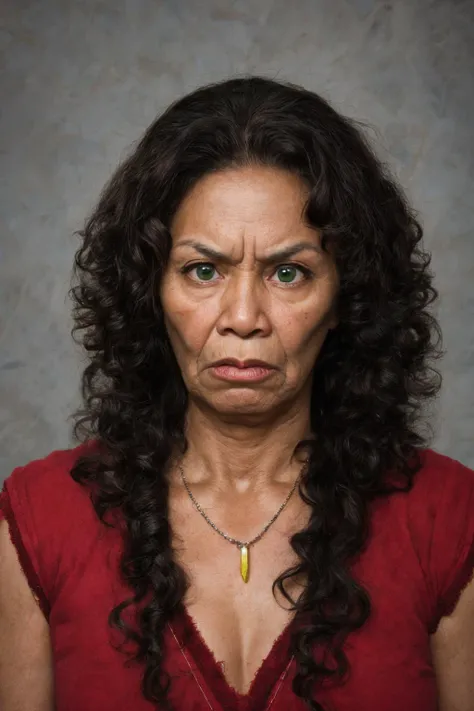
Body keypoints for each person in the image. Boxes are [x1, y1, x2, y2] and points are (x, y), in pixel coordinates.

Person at [0, 76, 473, 711]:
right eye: (203, 270)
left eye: (288, 272)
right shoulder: (37, 518)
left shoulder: (450, 518)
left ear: (345, 297)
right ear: (150, 289)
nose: (243, 316)